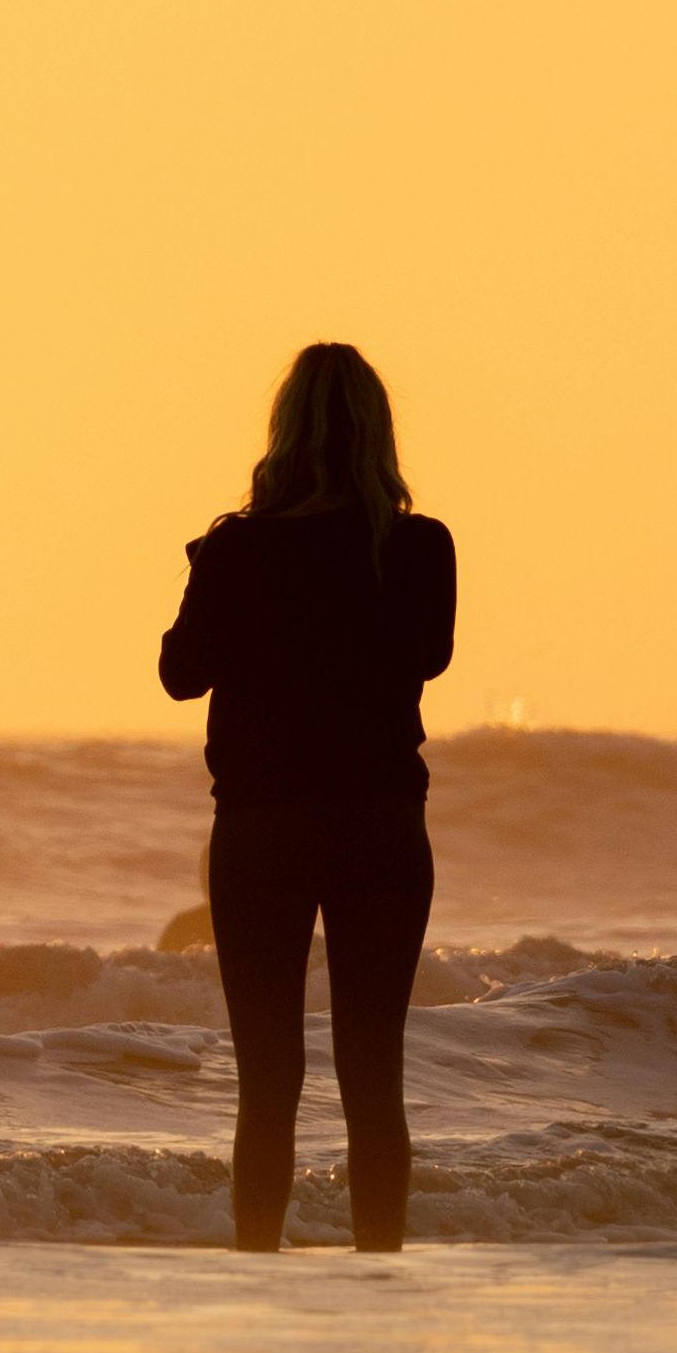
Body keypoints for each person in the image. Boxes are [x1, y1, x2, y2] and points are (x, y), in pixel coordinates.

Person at [158, 344, 455, 1254]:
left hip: (263, 827)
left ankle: (258, 1266)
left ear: (282, 431)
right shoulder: (416, 544)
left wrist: (209, 566)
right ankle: (379, 1270)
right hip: (379, 827)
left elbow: (179, 674)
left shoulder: (238, 547)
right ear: (377, 432)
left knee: (268, 1078)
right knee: (374, 1075)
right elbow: (426, 657)